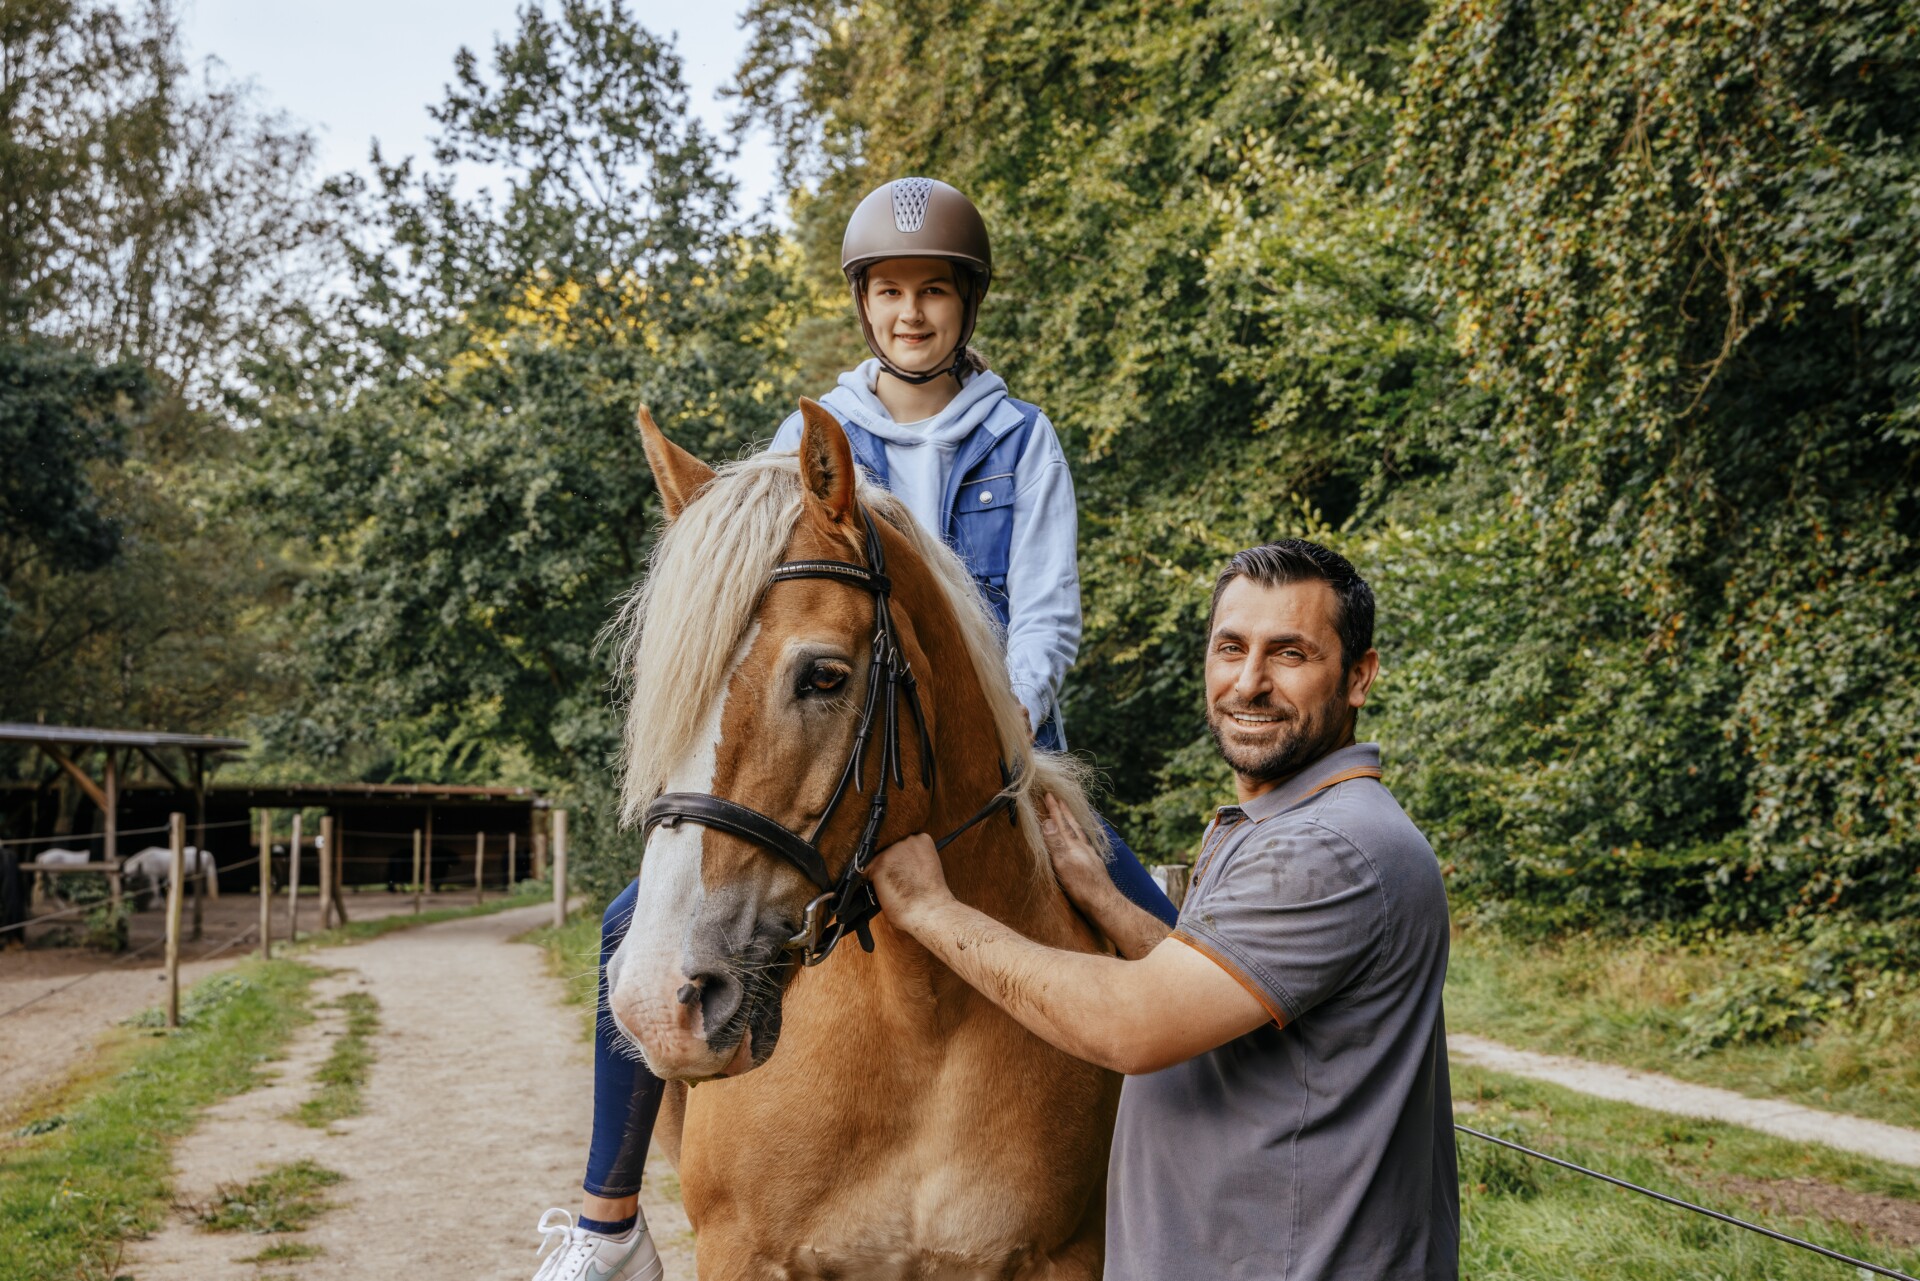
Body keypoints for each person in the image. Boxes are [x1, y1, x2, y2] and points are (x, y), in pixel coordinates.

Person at [527, 176, 1176, 1281]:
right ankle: (606, 1215)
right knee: (632, 922)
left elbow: (1049, 604)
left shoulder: (1022, 439)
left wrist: (1016, 715)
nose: (910, 314)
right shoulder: (811, 435)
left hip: (997, 756)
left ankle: (1194, 1182)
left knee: (1146, 924)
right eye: (889, 293)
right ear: (863, 305)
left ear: (966, 306)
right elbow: (756, 593)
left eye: (933, 292)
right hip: (847, 745)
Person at [868, 540, 1460, 1281]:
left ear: (1359, 676)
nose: (1249, 682)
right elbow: (1218, 995)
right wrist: (1106, 901)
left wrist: (931, 911)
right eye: (1231, 648)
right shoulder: (1289, 824)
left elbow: (1135, 1024)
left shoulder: (1328, 847)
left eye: (1290, 654)